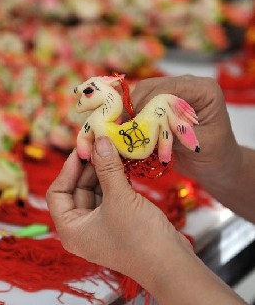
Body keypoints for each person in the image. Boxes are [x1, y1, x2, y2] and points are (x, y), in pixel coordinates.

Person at [46, 75, 255, 305]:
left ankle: (165, 146)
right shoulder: (98, 122)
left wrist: (157, 260)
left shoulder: (103, 126)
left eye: (85, 96)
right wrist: (229, 165)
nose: (79, 106)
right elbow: (87, 136)